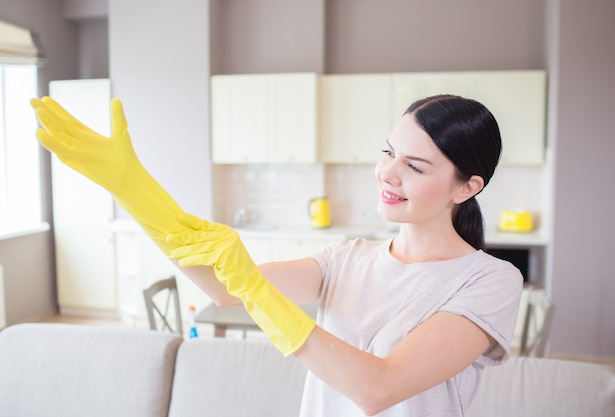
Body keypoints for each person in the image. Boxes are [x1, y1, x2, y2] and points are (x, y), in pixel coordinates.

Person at [31, 93, 522, 416]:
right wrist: (132, 189)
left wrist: (258, 293)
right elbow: (219, 288)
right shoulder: (346, 258)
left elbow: (379, 388)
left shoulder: (489, 281)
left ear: (467, 186)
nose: (387, 173)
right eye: (388, 152)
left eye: (414, 165)